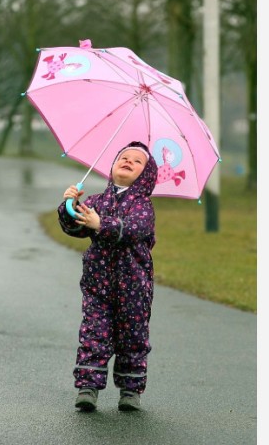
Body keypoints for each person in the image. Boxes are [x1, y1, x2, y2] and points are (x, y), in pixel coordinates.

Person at [57, 141, 158, 412]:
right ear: (111, 166)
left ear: (145, 175)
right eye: (123, 157)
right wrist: (69, 204)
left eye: (137, 161)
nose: (128, 161)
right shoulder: (97, 202)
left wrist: (101, 224)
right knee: (94, 334)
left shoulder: (143, 206)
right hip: (98, 285)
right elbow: (76, 227)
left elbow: (134, 229)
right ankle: (87, 387)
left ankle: (130, 389)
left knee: (132, 338)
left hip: (134, 287)